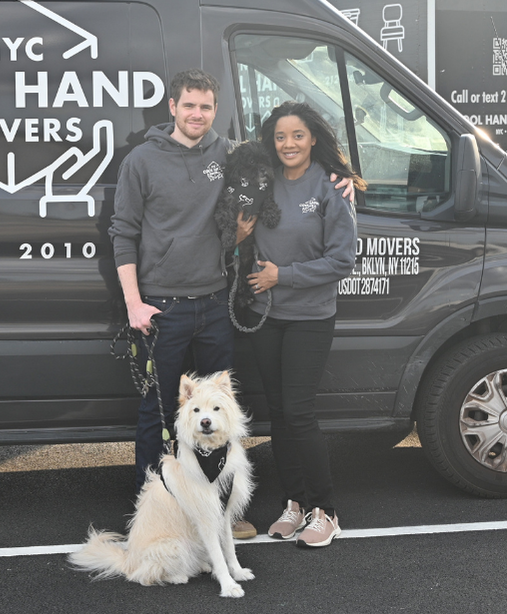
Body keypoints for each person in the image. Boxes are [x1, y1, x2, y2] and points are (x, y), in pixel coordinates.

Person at [108, 69, 258, 539]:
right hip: (162, 310)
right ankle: (154, 518)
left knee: (219, 417)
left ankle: (222, 514)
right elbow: (123, 233)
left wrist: (340, 177)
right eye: (189, 105)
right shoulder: (142, 161)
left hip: (215, 304)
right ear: (172, 107)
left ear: (216, 110)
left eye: (206, 107)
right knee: (158, 415)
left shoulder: (228, 154)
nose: (198, 114)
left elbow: (288, 160)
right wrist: (134, 304)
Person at [243, 100, 365, 548]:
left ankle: (326, 510)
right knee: (277, 413)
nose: (288, 144)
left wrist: (283, 276)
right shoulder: (262, 181)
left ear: (313, 137)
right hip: (264, 317)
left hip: (310, 318)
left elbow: (342, 260)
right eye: (280, 137)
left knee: (299, 412)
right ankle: (293, 504)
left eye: (297, 135)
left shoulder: (333, 187)